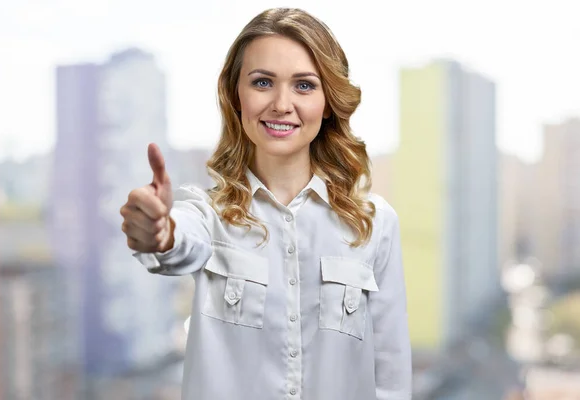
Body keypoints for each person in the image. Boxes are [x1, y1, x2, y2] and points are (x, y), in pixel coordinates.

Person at [120, 7, 411, 400]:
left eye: (304, 86)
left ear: (328, 103)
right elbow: (178, 244)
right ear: (235, 96)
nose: (281, 103)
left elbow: (391, 381)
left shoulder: (374, 224)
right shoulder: (208, 215)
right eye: (262, 82)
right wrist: (160, 233)